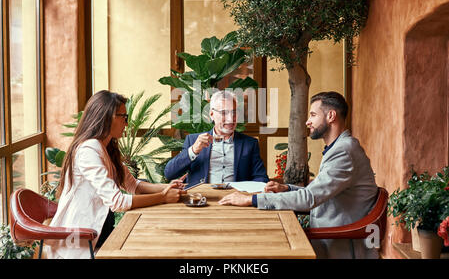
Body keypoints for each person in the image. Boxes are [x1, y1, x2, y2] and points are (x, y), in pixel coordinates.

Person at [218, 91, 379, 259]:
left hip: (339, 243)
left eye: (313, 115)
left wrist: (251, 199)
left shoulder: (344, 152)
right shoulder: (340, 148)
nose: (307, 121)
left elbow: (309, 198)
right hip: (328, 235)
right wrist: (286, 188)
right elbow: (317, 191)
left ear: (331, 116)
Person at [44, 90, 186, 259]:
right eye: (123, 117)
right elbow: (117, 202)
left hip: (100, 235)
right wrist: (163, 197)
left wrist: (167, 187)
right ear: (107, 117)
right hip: (82, 243)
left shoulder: (106, 147)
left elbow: (134, 186)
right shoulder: (88, 150)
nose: (127, 123)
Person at [164, 90, 269, 185]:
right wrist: (193, 150)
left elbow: (261, 178)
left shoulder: (250, 144)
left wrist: (248, 196)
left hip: (235, 200)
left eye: (234, 112)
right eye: (224, 113)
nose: (230, 118)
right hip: (202, 199)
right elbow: (169, 173)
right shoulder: (193, 140)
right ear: (212, 114)